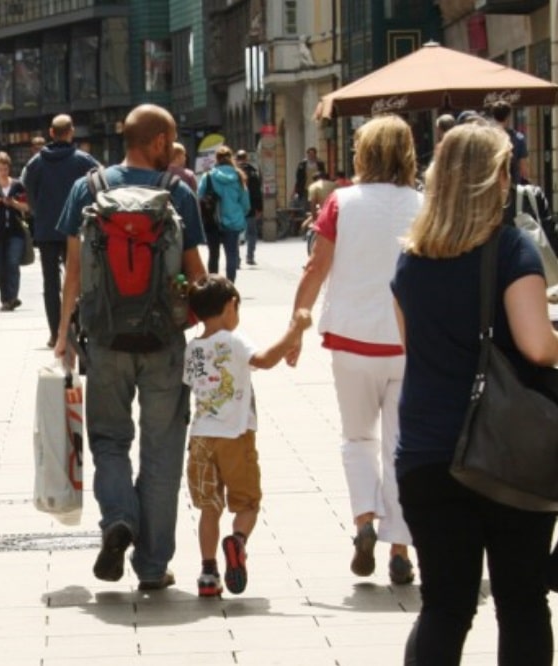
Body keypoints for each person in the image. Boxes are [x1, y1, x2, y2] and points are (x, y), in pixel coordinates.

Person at [391, 121, 558, 665]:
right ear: (499, 178)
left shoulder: (411, 259)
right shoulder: (512, 250)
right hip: (508, 451)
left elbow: (412, 345)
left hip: (426, 452)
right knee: (522, 602)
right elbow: (537, 346)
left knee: (444, 604)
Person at [55, 104, 207, 590]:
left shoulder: (89, 188)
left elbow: (74, 273)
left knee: (109, 440)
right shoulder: (178, 191)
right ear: (160, 141)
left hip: (104, 338)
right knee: (162, 451)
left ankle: (119, 518)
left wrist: (63, 334)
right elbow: (196, 276)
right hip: (164, 340)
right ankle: (153, 565)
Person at [287, 114, 422, 585]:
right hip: (409, 342)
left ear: (362, 153)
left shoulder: (340, 202)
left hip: (351, 338)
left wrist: (296, 324)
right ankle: (400, 547)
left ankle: (364, 519)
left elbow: (315, 267)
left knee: (357, 438)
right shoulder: (424, 205)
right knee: (401, 446)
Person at [185, 275, 312, 597]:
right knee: (248, 504)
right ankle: (237, 542)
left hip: (200, 438)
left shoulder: (194, 349)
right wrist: (295, 330)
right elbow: (266, 360)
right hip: (235, 436)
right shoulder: (234, 340)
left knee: (208, 508)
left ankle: (208, 574)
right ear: (231, 307)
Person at [23, 114, 100, 348]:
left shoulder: (36, 163)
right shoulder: (84, 161)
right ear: (71, 132)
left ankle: (56, 332)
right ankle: (78, 326)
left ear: (51, 132)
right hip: (77, 229)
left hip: (46, 229)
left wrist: (39, 211)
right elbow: (102, 183)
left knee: (50, 282)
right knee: (79, 278)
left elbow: (28, 188)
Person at [0, 151, 29, 311]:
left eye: (5, 168)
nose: (3, 172)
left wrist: (14, 203)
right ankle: (5, 299)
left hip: (15, 231)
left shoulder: (18, 185)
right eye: (0, 169)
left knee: (12, 262)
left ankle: (13, 297)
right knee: (1, 267)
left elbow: (27, 207)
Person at [197, 146, 249, 283]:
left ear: (217, 159)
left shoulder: (208, 176)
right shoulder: (238, 176)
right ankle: (230, 285)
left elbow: (200, 196)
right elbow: (245, 202)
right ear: (231, 157)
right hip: (233, 221)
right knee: (231, 254)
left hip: (212, 220)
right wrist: (240, 213)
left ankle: (213, 285)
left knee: (213, 254)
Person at [490, 100, 529, 184]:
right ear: (508, 117)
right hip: (513, 187)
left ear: (493, 116)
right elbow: (524, 170)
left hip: (491, 188)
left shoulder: (486, 137)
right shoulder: (518, 139)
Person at [235, 150, 263, 266]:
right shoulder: (252, 172)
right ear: (246, 158)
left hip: (235, 207)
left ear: (236, 159)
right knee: (251, 233)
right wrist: (259, 208)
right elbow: (257, 192)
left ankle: (236, 259)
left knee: (235, 233)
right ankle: (250, 257)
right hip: (250, 206)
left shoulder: (233, 172)